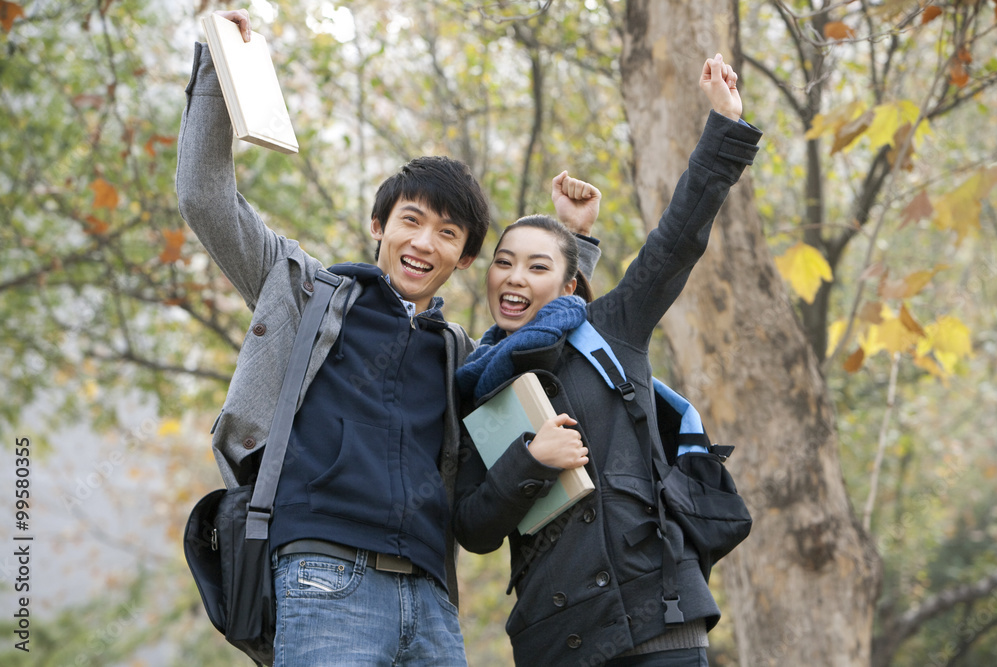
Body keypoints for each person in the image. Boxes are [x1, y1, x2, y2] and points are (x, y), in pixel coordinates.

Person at [175, 10, 601, 665]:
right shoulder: (305, 291)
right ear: (380, 224)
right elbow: (204, 195)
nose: (424, 241)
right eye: (412, 219)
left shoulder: (459, 353)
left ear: (463, 260)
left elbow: (542, 338)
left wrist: (576, 245)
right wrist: (218, 66)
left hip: (431, 599)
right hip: (323, 579)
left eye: (449, 233)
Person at [453, 54, 762, 667]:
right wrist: (530, 462)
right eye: (505, 261)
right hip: (557, 640)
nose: (514, 277)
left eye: (538, 266)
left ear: (571, 287)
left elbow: (678, 239)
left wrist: (724, 126)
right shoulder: (471, 382)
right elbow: (473, 528)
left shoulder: (610, 330)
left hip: (660, 620)